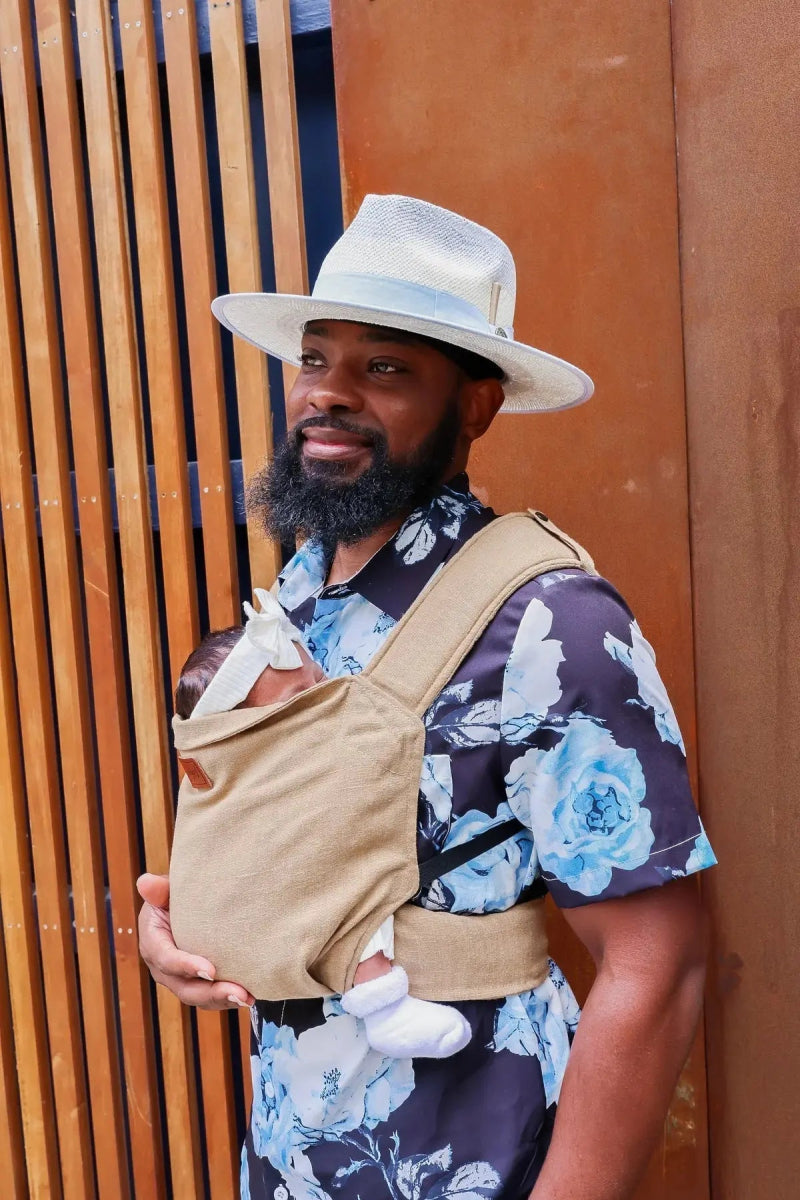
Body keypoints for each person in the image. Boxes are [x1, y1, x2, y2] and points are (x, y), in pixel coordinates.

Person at [138, 194, 716, 1200]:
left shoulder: (550, 624)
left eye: (385, 369)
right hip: (288, 1159)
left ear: (476, 406)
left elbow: (656, 968)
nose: (328, 393)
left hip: (472, 1158)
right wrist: (188, 939)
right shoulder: (298, 601)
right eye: (314, 359)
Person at [172, 594, 472, 1059]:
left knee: (342, 865)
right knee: (340, 891)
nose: (324, 695)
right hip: (282, 1045)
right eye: (299, 699)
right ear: (240, 731)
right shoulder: (298, 589)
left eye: (320, 679)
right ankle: (383, 1004)